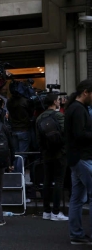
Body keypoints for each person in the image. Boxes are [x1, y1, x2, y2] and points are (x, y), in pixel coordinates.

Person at [64, 79, 92, 245]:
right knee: (81, 197)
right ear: (86, 92)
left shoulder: (73, 108)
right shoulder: (79, 110)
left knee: (77, 198)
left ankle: (76, 234)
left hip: (76, 158)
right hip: (82, 158)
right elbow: (80, 134)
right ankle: (76, 234)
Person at [35, 93, 68, 221]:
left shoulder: (39, 118)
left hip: (46, 153)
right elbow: (66, 133)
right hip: (60, 153)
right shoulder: (59, 115)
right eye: (58, 100)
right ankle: (56, 211)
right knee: (59, 181)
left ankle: (46, 211)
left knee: (47, 181)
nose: (60, 102)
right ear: (55, 102)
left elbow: (38, 138)